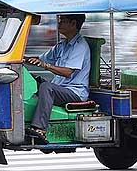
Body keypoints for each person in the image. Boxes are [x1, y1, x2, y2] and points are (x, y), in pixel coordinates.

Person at [25, 14, 91, 144]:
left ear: (73, 24)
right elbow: (40, 59)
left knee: (47, 87)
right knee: (34, 79)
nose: (59, 23)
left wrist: (46, 66)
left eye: (63, 21)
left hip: (74, 92)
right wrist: (21, 59)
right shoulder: (62, 45)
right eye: (59, 20)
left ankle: (39, 129)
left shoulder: (80, 47)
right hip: (61, 88)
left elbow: (68, 73)